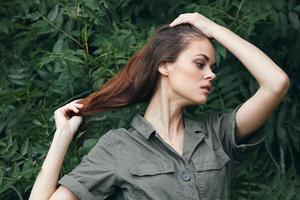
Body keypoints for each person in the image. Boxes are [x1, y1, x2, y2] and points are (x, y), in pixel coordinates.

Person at [29, 12, 290, 200]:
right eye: (200, 64)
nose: (211, 75)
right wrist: (62, 135)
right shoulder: (118, 148)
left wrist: (212, 28)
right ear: (164, 65)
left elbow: (275, 83)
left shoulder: (217, 134)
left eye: (213, 67)